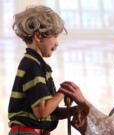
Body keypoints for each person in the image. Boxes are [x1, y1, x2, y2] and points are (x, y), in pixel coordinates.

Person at [8, 5, 75, 135]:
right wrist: (63, 91)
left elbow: (46, 111)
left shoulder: (34, 64)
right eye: (55, 36)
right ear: (38, 36)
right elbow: (42, 112)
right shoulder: (33, 67)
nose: (57, 43)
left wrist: (71, 111)